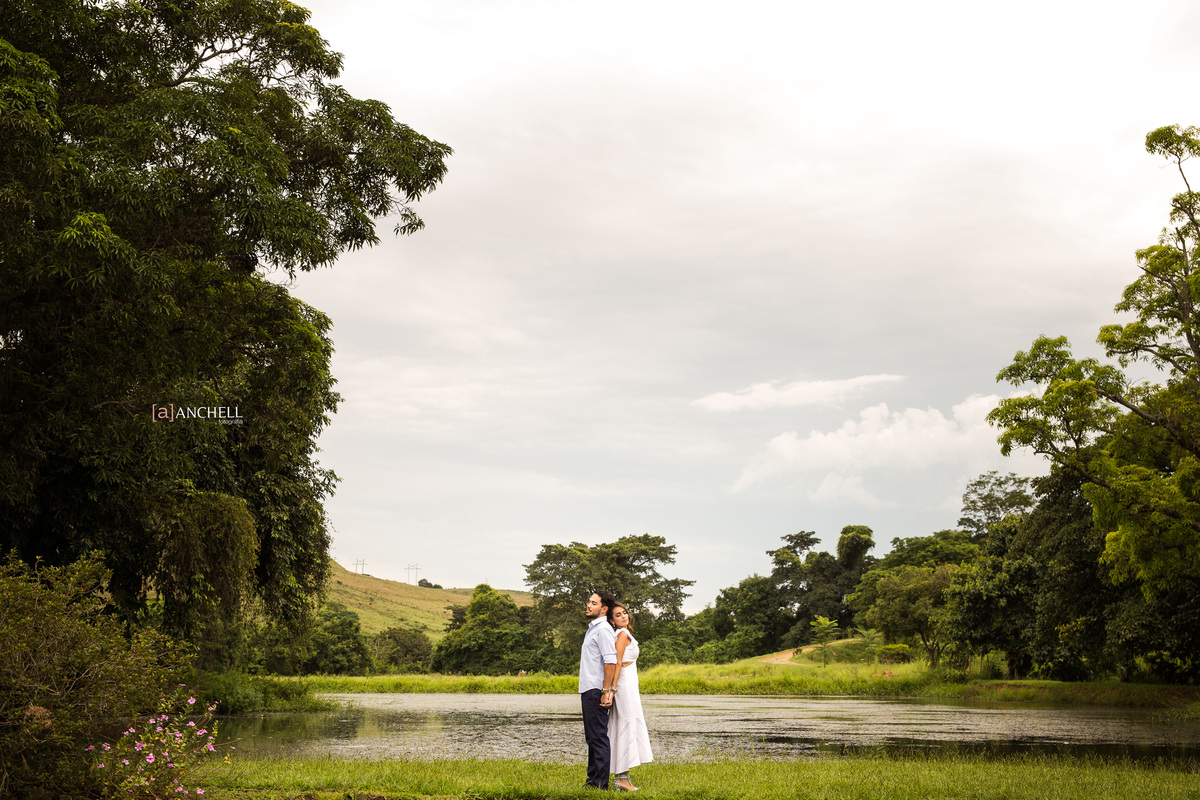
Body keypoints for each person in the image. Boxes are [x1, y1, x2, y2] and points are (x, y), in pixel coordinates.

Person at [607, 600, 654, 791]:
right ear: (612, 620)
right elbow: (616, 662)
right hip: (624, 686)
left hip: (630, 684)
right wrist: (613, 689)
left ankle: (622, 776)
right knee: (624, 726)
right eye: (618, 615)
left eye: (625, 612)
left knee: (627, 725)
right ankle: (621, 779)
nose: (624, 616)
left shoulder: (626, 633)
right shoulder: (622, 634)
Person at [579, 590, 618, 789]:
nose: (588, 605)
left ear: (603, 609)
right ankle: (592, 781)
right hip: (589, 689)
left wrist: (606, 691)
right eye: (589, 602)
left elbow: (611, 660)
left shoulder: (602, 629)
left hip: (596, 690)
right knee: (592, 737)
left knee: (598, 737)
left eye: (593, 603)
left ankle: (600, 784)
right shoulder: (594, 628)